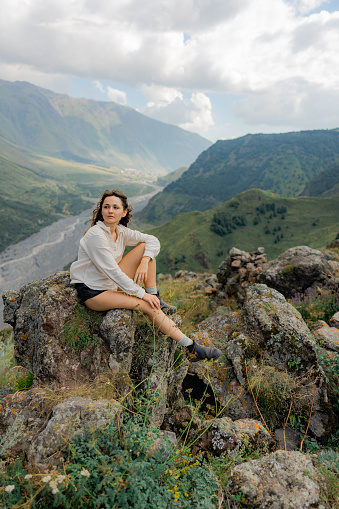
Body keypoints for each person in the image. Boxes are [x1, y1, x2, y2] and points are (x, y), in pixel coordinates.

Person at [70, 189, 221, 361]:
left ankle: (154, 294)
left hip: (109, 284)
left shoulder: (120, 231)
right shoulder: (96, 235)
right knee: (148, 306)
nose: (110, 211)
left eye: (115, 207)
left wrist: (144, 261)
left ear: (124, 212)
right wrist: (141, 295)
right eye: (106, 207)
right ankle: (191, 348)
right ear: (101, 211)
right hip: (94, 291)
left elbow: (152, 240)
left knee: (146, 251)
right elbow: (113, 272)